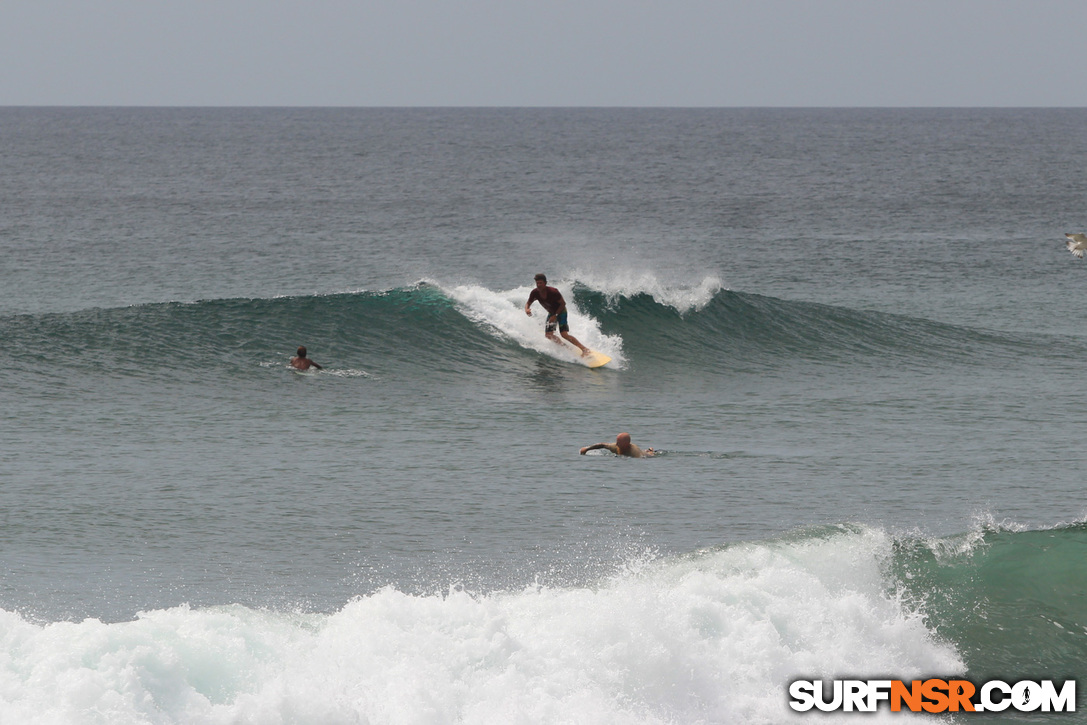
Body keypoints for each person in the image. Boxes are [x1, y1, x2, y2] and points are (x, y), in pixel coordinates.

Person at [524, 273, 590, 355]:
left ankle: (585, 349)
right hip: (551, 314)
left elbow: (563, 304)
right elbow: (528, 303)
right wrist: (527, 309)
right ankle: (566, 348)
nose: (538, 285)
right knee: (548, 335)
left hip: (561, 312)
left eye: (540, 283)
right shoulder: (535, 292)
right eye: (537, 283)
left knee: (564, 334)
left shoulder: (553, 292)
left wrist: (555, 315)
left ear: (545, 283)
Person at [580, 432, 655, 458]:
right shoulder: (615, 446)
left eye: (619, 442)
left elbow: (642, 459)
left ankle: (650, 450)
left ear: (626, 444)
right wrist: (587, 449)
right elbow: (602, 445)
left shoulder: (634, 452)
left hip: (644, 455)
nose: (616, 444)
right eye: (617, 442)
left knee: (650, 454)